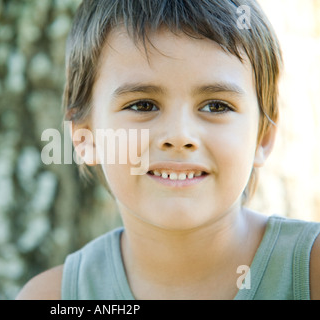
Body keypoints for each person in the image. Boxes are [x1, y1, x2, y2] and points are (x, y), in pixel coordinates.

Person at [17, 0, 320, 300]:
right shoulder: (54, 297)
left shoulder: (311, 273)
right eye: (142, 105)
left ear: (263, 137)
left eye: (216, 106)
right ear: (86, 139)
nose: (179, 136)